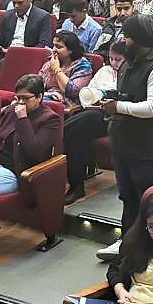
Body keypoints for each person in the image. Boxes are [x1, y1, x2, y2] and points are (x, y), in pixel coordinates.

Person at [96, 15, 153, 261]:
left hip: (145, 146)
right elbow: (128, 95)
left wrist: (118, 107)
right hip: (123, 142)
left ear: (139, 39)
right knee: (128, 198)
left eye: (127, 36)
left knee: (148, 200)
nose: (123, 40)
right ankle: (128, 242)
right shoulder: (130, 62)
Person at [63, 41, 126, 205]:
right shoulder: (104, 71)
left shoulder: (130, 73)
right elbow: (88, 92)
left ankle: (72, 183)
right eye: (111, 59)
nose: (114, 63)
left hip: (115, 116)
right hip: (94, 110)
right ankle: (76, 185)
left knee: (69, 129)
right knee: (73, 135)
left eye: (118, 59)